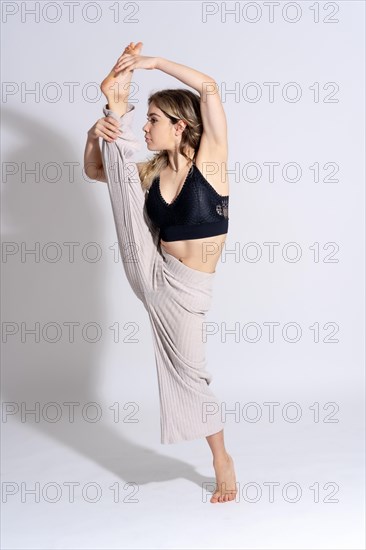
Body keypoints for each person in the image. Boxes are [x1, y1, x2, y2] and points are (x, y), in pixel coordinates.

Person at [84, 42, 237, 504]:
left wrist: (153, 63)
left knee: (191, 374)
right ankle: (115, 102)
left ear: (180, 126)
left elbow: (209, 89)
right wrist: (96, 134)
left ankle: (221, 458)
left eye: (152, 119)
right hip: (150, 268)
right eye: (144, 118)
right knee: (120, 165)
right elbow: (96, 171)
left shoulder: (209, 164)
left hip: (187, 290)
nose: (148, 127)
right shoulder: (149, 172)